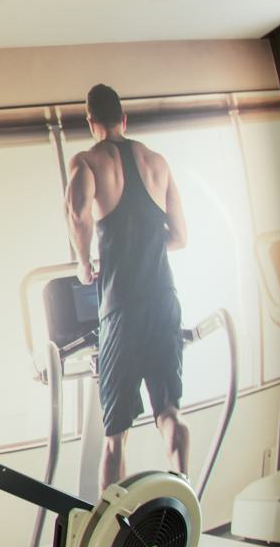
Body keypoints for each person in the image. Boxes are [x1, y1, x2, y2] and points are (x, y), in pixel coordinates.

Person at [64, 84, 191, 490]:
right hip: (164, 300)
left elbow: (78, 214)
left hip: (122, 309)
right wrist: (146, 246)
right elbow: (180, 237)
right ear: (124, 118)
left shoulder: (87, 161)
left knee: (115, 437)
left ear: (91, 122)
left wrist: (84, 264)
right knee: (169, 412)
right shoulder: (157, 162)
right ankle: (186, 492)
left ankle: (112, 523)